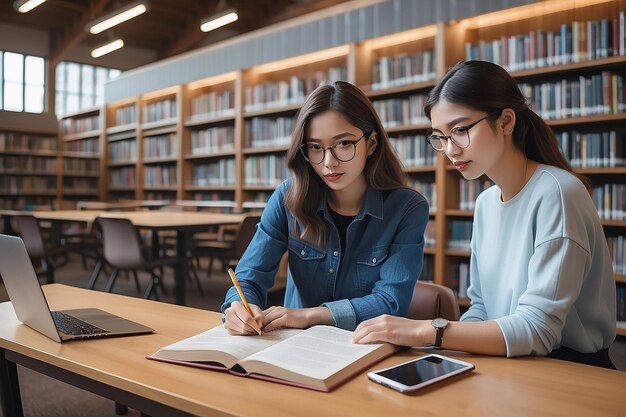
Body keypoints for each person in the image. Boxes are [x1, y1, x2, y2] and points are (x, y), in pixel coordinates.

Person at [352, 60, 617, 368]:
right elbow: (481, 308)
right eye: (440, 136)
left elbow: (538, 329)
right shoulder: (486, 203)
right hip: (508, 363)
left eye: (460, 130)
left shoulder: (558, 193)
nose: (450, 149)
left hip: (569, 371)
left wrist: (427, 330)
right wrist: (442, 360)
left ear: (506, 122)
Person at [221, 80, 429, 335]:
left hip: (365, 346)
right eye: (316, 148)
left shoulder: (407, 209)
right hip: (295, 345)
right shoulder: (287, 198)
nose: (329, 162)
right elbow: (248, 277)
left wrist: (310, 316)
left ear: (371, 143)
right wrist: (239, 308)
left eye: (343, 144)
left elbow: (391, 302)